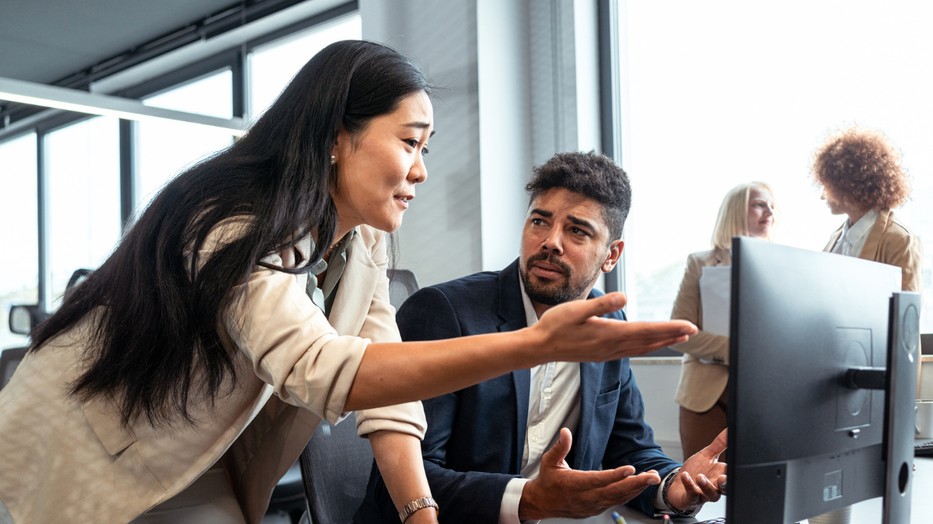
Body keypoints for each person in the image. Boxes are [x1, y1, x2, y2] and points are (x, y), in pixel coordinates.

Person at [0, 42, 698, 524]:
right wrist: (534, 345)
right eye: (409, 142)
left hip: (189, 449)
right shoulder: (232, 220)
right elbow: (327, 372)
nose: (420, 170)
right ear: (338, 136)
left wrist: (419, 513)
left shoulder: (361, 236)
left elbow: (389, 399)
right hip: (87, 444)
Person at [354, 151, 726, 524]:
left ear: (612, 255)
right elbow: (403, 484)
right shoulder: (445, 313)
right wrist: (526, 500)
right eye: (539, 221)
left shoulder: (609, 326)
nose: (551, 242)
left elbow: (630, 451)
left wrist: (673, 486)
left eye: (577, 230)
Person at [810, 127, 922, 524]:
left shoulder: (896, 238)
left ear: (848, 181)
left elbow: (903, 325)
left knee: (861, 483)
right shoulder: (835, 237)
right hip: (830, 375)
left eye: (827, 182)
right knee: (822, 485)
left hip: (870, 375)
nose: (822, 191)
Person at [669, 182, 776, 459]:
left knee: (760, 488)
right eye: (760, 204)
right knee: (701, 487)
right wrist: (735, 350)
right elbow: (680, 331)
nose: (769, 212)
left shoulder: (780, 266)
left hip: (763, 394)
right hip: (705, 397)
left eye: (772, 207)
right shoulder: (699, 263)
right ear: (736, 210)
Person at [813, 128, 922, 292]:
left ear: (849, 186)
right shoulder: (837, 237)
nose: (823, 196)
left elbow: (905, 314)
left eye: (828, 186)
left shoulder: (900, 241)